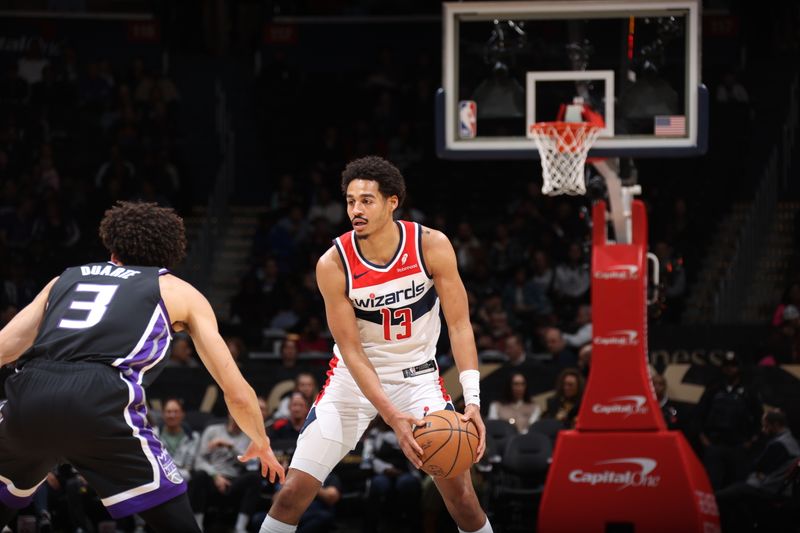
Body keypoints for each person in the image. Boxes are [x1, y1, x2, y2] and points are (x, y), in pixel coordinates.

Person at [0, 201, 284, 533]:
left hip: (29, 393)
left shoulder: (64, 279)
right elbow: (235, 390)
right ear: (170, 252)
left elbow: (5, 347)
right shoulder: (178, 291)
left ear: (111, 244)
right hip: (100, 397)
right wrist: (260, 441)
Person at [260, 156, 491, 533]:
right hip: (351, 383)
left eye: (366, 200)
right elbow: (350, 351)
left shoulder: (431, 245)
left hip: (418, 380)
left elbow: (460, 325)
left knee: (463, 498)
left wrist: (473, 400)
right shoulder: (333, 264)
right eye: (350, 201)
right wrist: (391, 416)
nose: (356, 209)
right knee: (291, 494)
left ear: (392, 201)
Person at [715, 409, 800, 533]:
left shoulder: (780, 444)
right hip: (776, 487)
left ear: (775, 425)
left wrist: (757, 473)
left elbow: (757, 467)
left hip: (767, 488)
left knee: (719, 497)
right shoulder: (791, 441)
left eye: (765, 426)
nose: (763, 430)